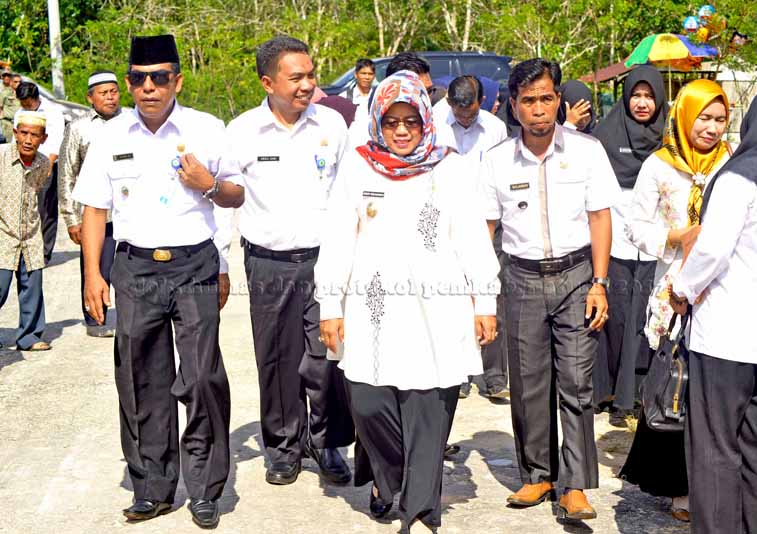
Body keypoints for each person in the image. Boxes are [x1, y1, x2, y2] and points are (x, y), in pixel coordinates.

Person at [315, 69, 499, 533]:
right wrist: (330, 305)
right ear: (378, 120)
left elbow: (473, 240)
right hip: (372, 306)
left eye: (411, 121)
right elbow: (338, 239)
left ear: (425, 121)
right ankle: (386, 478)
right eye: (392, 121)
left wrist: (485, 300)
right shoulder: (358, 166)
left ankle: (418, 506)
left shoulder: (450, 167)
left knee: (428, 407)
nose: (401, 130)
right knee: (369, 401)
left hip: (439, 307)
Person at [73, 34, 244, 529]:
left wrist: (207, 186)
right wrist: (92, 275)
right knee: (140, 378)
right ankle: (153, 487)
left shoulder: (207, 130)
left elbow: (234, 195)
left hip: (194, 266)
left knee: (202, 377)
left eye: (160, 78)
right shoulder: (110, 136)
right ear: (128, 84)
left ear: (177, 81)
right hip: (135, 269)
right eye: (139, 79)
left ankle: (207, 487)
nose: (149, 87)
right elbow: (94, 209)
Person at [482, 58, 618, 520]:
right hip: (519, 278)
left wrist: (600, 283)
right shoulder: (496, 160)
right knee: (528, 381)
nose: (538, 108)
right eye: (528, 100)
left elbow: (601, 217)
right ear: (514, 107)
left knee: (577, 383)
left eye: (545, 98)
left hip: (578, 276)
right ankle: (537, 474)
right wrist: (481, 294)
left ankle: (575, 484)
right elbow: (486, 228)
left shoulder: (587, 151)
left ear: (558, 100)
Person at [669, 83, 757, 534]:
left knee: (715, 448)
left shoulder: (741, 176)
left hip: (726, 335)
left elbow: (711, 252)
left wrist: (681, 289)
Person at [227, 35, 355, 488]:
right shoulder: (242, 131)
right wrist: (224, 264)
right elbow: (228, 200)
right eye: (295, 77)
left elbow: (349, 192)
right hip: (268, 264)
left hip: (326, 261)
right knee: (277, 360)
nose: (307, 84)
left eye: (311, 74)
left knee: (327, 357)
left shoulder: (333, 126)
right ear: (268, 82)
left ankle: (328, 443)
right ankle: (283, 446)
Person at [619, 79, 732, 523]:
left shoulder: (733, 162)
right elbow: (634, 226)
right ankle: (677, 486)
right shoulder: (659, 166)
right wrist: (675, 236)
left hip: (723, 288)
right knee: (678, 384)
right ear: (685, 115)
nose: (712, 128)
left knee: (713, 387)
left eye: (720, 119)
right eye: (704, 117)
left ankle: (712, 479)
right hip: (675, 287)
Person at [591, 66, 667, 416]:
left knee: (648, 318)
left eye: (649, 96)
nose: (641, 103)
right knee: (618, 319)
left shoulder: (669, 138)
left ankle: (639, 395)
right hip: (617, 242)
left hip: (656, 246)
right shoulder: (605, 136)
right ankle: (609, 393)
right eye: (635, 95)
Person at [431, 75, 508, 399]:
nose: (465, 119)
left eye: (471, 112)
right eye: (460, 113)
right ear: (450, 104)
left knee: (490, 293)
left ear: (482, 101)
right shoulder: (432, 121)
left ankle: (493, 374)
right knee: (451, 297)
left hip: (487, 222)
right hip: (445, 225)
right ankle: (458, 372)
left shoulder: (494, 129)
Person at [58, 70, 122, 338]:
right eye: (103, 93)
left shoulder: (131, 121)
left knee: (129, 269)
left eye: (114, 91)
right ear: (90, 97)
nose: (110, 97)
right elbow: (66, 175)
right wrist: (72, 219)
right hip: (95, 215)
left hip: (129, 212)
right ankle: (95, 318)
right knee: (97, 267)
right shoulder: (78, 128)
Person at [0, 111, 52, 351]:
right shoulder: (1, 158)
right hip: (2, 235)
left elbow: (37, 190)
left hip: (30, 235)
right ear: (15, 134)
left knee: (32, 288)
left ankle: (29, 336)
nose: (29, 140)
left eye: (35, 135)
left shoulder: (43, 163)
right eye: (24, 133)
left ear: (43, 138)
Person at [16, 81, 65, 266]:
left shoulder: (52, 112)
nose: (25, 108)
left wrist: (48, 166)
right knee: (26, 207)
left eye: (28, 104)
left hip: (47, 162)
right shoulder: (20, 113)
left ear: (36, 99)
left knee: (46, 209)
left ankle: (44, 253)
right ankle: (26, 249)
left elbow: (57, 139)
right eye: (23, 104)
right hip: (25, 164)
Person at [348, 52, 434, 148]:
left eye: (429, 91)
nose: (426, 100)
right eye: (418, 94)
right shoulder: (360, 135)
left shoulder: (439, 131)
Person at [432, 75, 507, 160]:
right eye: (459, 116)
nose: (465, 120)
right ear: (449, 102)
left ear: (482, 101)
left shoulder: (496, 128)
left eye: (472, 116)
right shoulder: (434, 126)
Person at [0, 74, 21, 145]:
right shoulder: (5, 93)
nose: (18, 84)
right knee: (7, 146)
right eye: (16, 82)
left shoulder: (23, 94)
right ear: (11, 82)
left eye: (20, 82)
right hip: (8, 124)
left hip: (19, 124)